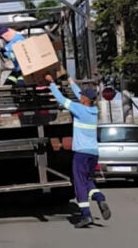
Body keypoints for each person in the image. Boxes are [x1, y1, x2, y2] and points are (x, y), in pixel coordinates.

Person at [45, 72, 112, 228]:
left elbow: (61, 99)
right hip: (93, 153)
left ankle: (86, 215)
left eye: (82, 96)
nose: (79, 96)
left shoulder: (79, 109)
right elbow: (78, 94)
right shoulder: (93, 110)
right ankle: (99, 198)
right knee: (87, 180)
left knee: (80, 184)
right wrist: (69, 80)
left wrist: (51, 83)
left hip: (81, 154)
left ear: (85, 100)